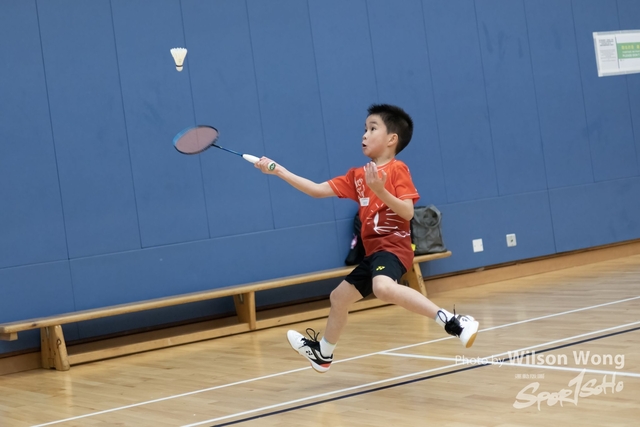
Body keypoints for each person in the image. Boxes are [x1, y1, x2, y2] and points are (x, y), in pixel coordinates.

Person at [254, 104, 478, 373]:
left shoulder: (397, 169)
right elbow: (316, 190)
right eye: (364, 129)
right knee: (339, 298)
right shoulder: (358, 176)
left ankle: (454, 322)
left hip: (393, 248)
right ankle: (323, 353)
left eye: (372, 129)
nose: (364, 134)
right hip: (373, 254)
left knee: (382, 287)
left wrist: (380, 190)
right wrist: (279, 170)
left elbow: (407, 212)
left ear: (392, 139)